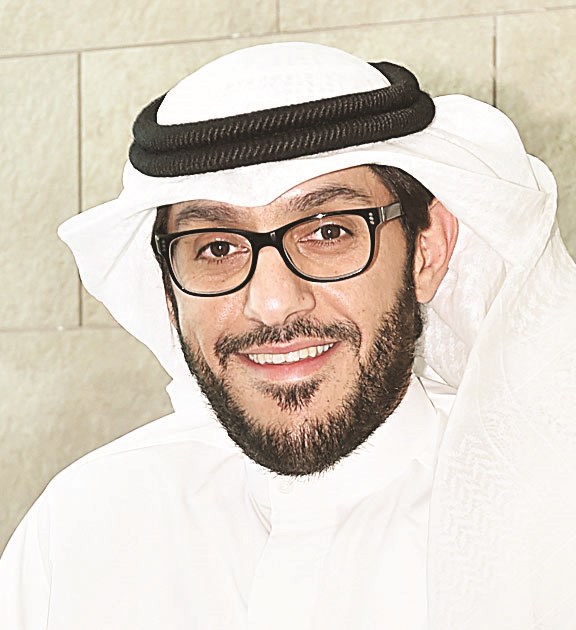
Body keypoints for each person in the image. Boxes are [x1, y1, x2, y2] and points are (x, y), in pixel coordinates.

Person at [1, 42, 575, 629]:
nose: (273, 304)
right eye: (217, 247)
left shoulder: (554, 525)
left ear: (426, 253)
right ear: (169, 292)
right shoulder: (78, 532)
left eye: (328, 233)